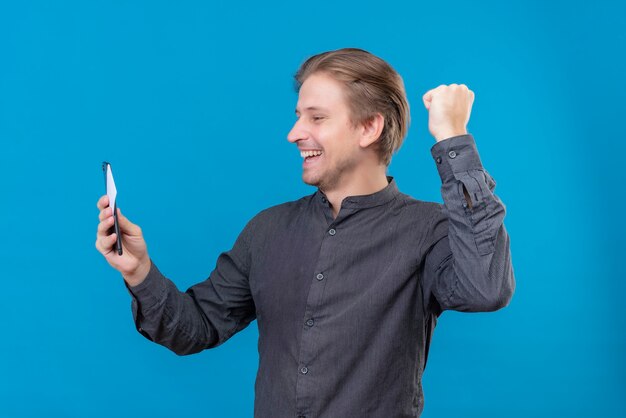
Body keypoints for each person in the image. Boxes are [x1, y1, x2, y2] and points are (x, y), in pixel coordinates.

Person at [95, 48, 515, 417]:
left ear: (369, 128)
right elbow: (196, 327)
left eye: (316, 117)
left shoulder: (429, 230)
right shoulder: (267, 230)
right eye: (298, 116)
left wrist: (452, 138)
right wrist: (139, 271)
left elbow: (485, 289)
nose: (294, 133)